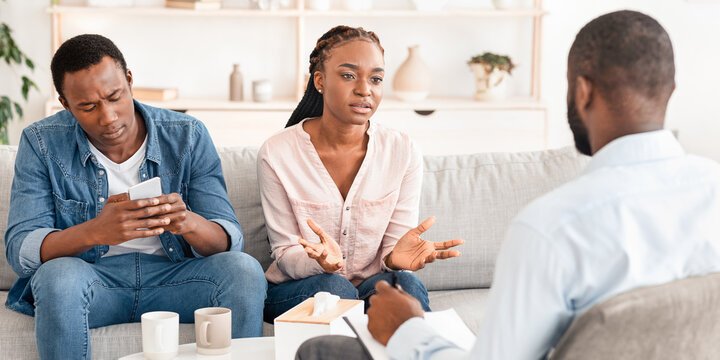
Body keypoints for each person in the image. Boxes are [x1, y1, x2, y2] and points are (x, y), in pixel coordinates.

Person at [295, 10, 720, 360]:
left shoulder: (552, 227)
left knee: (321, 352)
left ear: (582, 91)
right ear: (670, 90)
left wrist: (407, 332)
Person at [4, 34, 267, 359]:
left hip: (176, 279)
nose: (108, 117)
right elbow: (21, 249)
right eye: (87, 107)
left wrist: (187, 223)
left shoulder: (187, 134)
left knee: (243, 270)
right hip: (91, 281)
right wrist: (95, 232)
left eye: (115, 96)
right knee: (57, 278)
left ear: (129, 81)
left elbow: (228, 241)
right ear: (65, 104)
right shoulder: (41, 143)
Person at [258, 25, 464, 322]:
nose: (365, 89)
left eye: (376, 79)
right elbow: (285, 253)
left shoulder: (402, 151)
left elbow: (394, 251)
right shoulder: (277, 153)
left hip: (371, 286)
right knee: (334, 286)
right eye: (348, 75)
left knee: (404, 284)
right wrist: (321, 263)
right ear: (320, 81)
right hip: (300, 287)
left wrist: (395, 259)